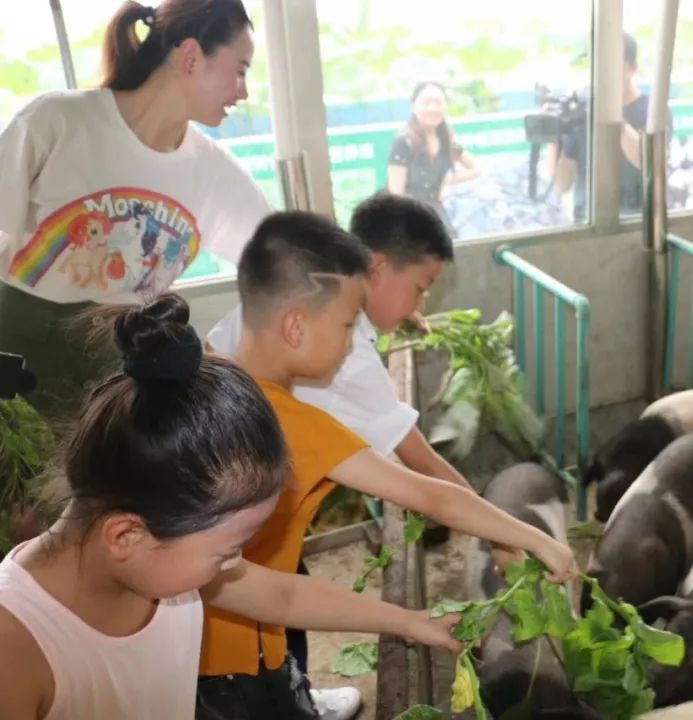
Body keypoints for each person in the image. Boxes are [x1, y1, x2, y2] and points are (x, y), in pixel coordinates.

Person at [0, 294, 462, 720]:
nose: (235, 564)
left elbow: (282, 595)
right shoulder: (17, 654)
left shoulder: (157, 561)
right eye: (226, 552)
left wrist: (413, 623)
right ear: (127, 535)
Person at [197, 209, 577, 719]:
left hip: (231, 616)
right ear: (296, 326)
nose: (356, 339)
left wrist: (407, 620)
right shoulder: (291, 422)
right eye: (349, 324)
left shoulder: (230, 378)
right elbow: (431, 492)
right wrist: (529, 539)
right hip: (224, 657)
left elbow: (283, 595)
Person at [0, 0, 272, 421]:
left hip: (117, 378)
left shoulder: (214, 173)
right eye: (240, 69)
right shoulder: (58, 121)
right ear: (191, 57)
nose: (244, 91)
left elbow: (280, 259)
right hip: (16, 356)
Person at [551, 32, 665, 221]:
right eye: (594, 64)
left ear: (632, 67)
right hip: (587, 223)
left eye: (608, 64)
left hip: (636, 223)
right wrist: (554, 135)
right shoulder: (582, 110)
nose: (600, 72)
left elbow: (647, 162)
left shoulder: (653, 110)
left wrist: (611, 113)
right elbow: (561, 185)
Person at [387, 81, 480, 235]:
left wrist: (445, 181)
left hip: (436, 212)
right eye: (426, 102)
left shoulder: (446, 141)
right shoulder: (403, 142)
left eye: (438, 103)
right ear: (413, 106)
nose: (432, 108)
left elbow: (476, 168)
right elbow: (396, 194)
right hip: (410, 215)